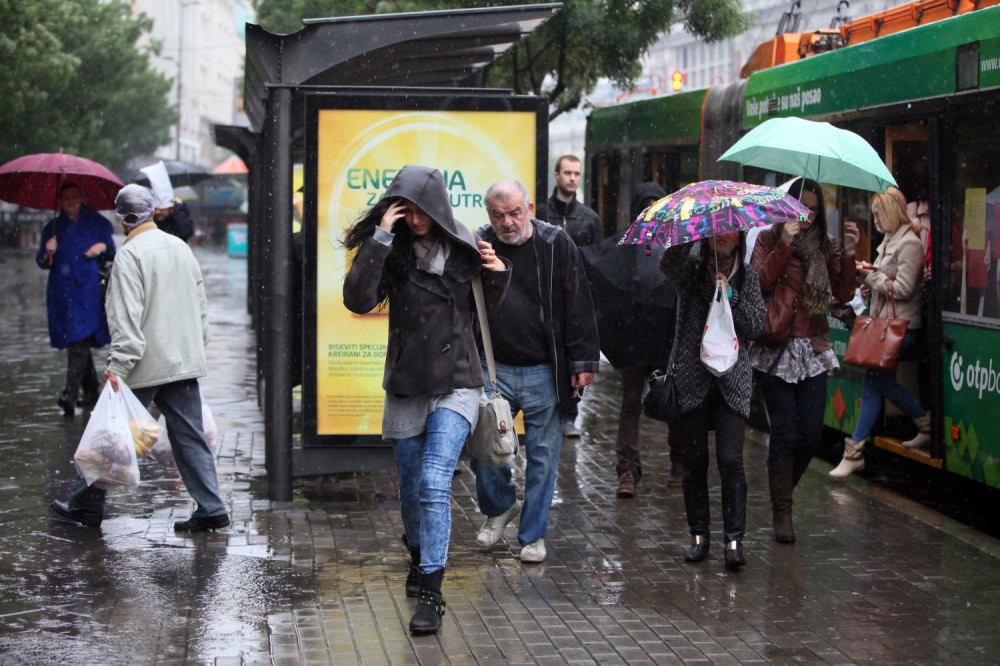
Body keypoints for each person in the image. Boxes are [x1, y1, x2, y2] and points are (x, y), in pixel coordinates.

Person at [342, 166, 509, 636]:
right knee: (412, 485)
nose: (413, 217)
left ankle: (433, 593)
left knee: (436, 481)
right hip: (407, 382)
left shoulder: (466, 248)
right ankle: (417, 555)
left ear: (437, 206)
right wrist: (377, 237)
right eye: (405, 208)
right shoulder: (390, 252)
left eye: (420, 208)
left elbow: (490, 311)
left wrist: (497, 274)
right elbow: (356, 299)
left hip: (458, 379)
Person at [50, 184, 229, 534]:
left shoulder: (129, 257)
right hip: (181, 359)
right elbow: (200, 307)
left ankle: (85, 505)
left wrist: (117, 367)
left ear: (122, 219)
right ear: (151, 212)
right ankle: (211, 508)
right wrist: (192, 346)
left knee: (110, 432)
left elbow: (126, 321)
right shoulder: (179, 247)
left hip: (146, 363)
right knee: (189, 437)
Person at [473, 180, 600, 564]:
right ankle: (500, 506)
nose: (507, 222)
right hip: (495, 366)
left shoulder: (555, 243)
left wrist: (582, 362)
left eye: (514, 212)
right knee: (484, 448)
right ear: (488, 214)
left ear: (530, 207)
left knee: (543, 458)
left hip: (546, 368)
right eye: (498, 214)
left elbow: (577, 301)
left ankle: (532, 536)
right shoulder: (481, 244)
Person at [750, 178, 859, 543]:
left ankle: (783, 491)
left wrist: (849, 253)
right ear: (787, 206)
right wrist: (784, 244)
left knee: (811, 433)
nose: (808, 214)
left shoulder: (825, 246)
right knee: (785, 430)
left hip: (812, 347)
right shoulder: (769, 238)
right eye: (802, 206)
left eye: (814, 208)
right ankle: (783, 511)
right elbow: (758, 283)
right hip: (776, 347)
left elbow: (843, 294)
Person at [660, 231, 765, 570]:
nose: (722, 235)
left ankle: (734, 541)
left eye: (728, 230)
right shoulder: (690, 271)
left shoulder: (748, 277)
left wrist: (729, 295)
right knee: (695, 461)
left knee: (730, 460)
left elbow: (755, 325)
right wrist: (687, 233)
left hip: (731, 382)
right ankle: (698, 536)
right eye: (714, 229)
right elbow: (667, 263)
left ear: (740, 237)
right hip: (693, 378)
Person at [831, 187, 929, 478]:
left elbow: (904, 289)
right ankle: (924, 423)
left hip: (902, 328)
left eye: (878, 214)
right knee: (875, 382)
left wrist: (871, 276)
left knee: (874, 381)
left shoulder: (909, 244)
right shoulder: (889, 241)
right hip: (883, 325)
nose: (874, 220)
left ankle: (856, 450)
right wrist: (868, 280)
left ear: (892, 213)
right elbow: (887, 283)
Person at [604, 182, 685, 498]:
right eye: (645, 206)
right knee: (630, 402)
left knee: (674, 401)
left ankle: (678, 463)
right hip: (635, 338)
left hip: (668, 337)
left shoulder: (678, 245)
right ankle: (627, 470)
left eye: (656, 205)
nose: (651, 212)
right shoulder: (626, 246)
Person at [36, 182, 116, 416]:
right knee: (77, 339)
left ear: (82, 197)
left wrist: (101, 247)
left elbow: (111, 250)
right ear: (60, 201)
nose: (70, 201)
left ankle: (70, 394)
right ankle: (91, 391)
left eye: (74, 196)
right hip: (63, 292)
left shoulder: (98, 223)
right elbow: (42, 262)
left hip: (88, 290)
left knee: (79, 340)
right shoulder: (52, 228)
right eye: (66, 197)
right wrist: (49, 251)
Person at [538, 155, 603, 437]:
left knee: (574, 352)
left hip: (576, 295)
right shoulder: (542, 212)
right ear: (556, 175)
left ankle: (569, 414)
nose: (572, 178)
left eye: (577, 173)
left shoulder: (589, 218)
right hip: (545, 293)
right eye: (567, 172)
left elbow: (598, 258)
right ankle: (551, 408)